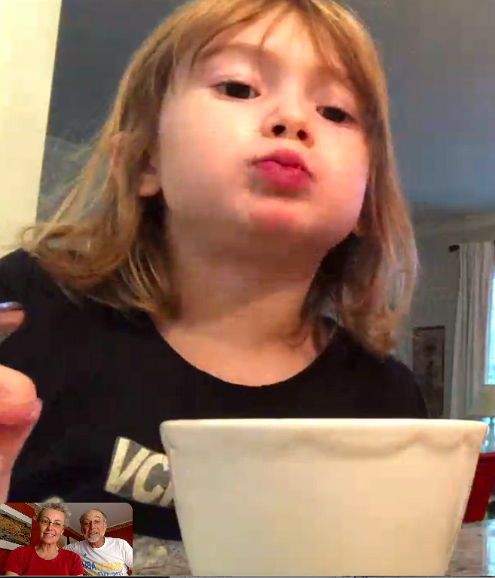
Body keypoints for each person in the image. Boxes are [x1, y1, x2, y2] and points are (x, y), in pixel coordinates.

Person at [0, 0, 427, 541]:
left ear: (367, 200)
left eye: (336, 112)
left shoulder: (386, 403)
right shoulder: (26, 312)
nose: (293, 120)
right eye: (238, 87)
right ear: (146, 161)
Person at [2, 503, 84, 576]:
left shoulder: (73, 559)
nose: (50, 528)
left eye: (57, 524)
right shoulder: (18, 554)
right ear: (38, 525)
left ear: (62, 531)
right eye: (45, 521)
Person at [62, 510, 132, 576]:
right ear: (82, 530)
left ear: (105, 527)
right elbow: (57, 553)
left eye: (97, 521)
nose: (92, 527)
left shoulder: (120, 544)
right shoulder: (75, 548)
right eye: (87, 523)